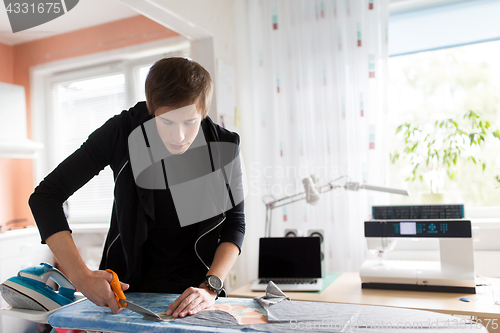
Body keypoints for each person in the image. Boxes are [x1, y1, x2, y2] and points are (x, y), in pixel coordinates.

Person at [29, 57, 245, 318]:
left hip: (196, 294)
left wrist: (210, 287)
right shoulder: (121, 131)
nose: (179, 137)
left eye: (190, 122)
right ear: (152, 109)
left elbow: (235, 224)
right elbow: (45, 197)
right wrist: (82, 277)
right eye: (166, 122)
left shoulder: (224, 147)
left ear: (203, 111)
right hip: (123, 294)